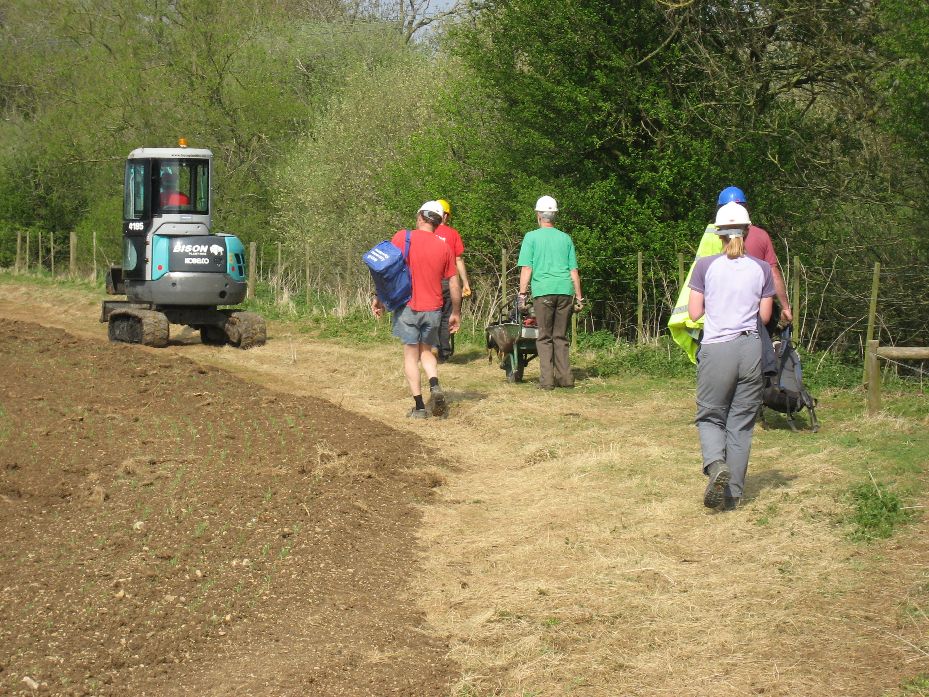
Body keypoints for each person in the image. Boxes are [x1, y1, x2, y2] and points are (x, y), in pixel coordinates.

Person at [687, 201, 774, 511]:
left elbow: (695, 312)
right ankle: (733, 495)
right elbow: (763, 317)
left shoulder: (705, 266)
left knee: (710, 416)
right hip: (750, 348)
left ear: (719, 234)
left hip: (717, 348)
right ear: (748, 232)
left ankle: (715, 466)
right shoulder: (762, 269)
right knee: (741, 423)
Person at [371, 201, 461, 419]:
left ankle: (420, 407)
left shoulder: (403, 237)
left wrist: (378, 298)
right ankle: (435, 384)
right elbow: (454, 283)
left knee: (411, 357)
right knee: (427, 352)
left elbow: (386, 271)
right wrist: (456, 312)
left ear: (420, 216)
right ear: (438, 223)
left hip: (408, 306)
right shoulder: (444, 247)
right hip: (434, 308)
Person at [516, 195, 583, 390]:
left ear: (538, 215)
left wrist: (522, 294)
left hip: (543, 292)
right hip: (565, 291)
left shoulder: (531, 237)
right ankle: (566, 379)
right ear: (554, 216)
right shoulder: (565, 238)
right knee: (560, 336)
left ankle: (547, 381)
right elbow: (573, 271)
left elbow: (527, 268)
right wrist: (579, 297)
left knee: (544, 337)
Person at [716, 187, 792, 323]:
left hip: (718, 315)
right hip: (754, 312)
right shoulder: (761, 235)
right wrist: (785, 307)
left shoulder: (710, 237)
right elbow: (773, 273)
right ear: (745, 209)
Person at [433, 199, 472, 362]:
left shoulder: (425, 232)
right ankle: (444, 352)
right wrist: (465, 283)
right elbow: (458, 260)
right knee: (446, 316)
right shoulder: (453, 234)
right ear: (446, 215)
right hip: (448, 281)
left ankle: (430, 348)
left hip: (428, 281)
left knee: (430, 314)